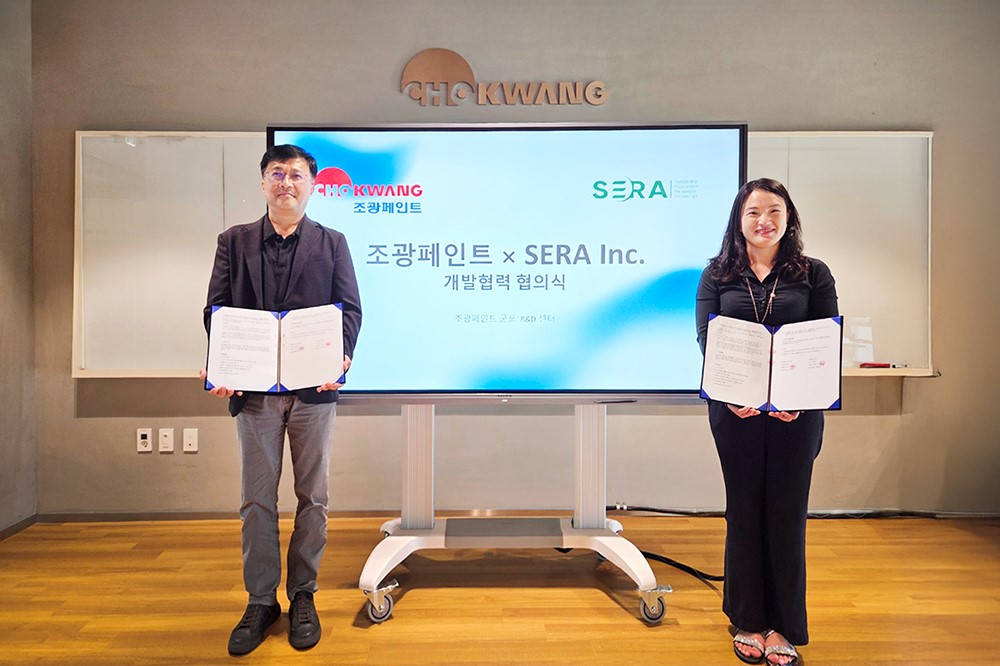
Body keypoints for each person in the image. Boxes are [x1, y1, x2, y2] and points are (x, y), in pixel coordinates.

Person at [202, 144, 362, 655]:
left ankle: (303, 594)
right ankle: (260, 600)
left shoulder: (332, 242)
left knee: (313, 498)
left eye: (296, 175)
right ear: (263, 182)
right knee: (256, 501)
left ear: (311, 185)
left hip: (313, 392)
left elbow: (349, 310)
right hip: (254, 395)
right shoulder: (234, 241)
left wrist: (341, 357)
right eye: (277, 174)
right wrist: (222, 365)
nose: (286, 183)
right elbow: (217, 309)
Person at [695, 178, 838, 666]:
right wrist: (735, 393)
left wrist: (798, 398)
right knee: (743, 511)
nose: (764, 221)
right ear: (739, 220)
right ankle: (747, 619)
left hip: (797, 414)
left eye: (774, 211)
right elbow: (707, 340)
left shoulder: (813, 273)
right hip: (734, 412)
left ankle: (783, 626)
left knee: (786, 513)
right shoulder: (717, 274)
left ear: (789, 217)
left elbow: (825, 342)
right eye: (754, 212)